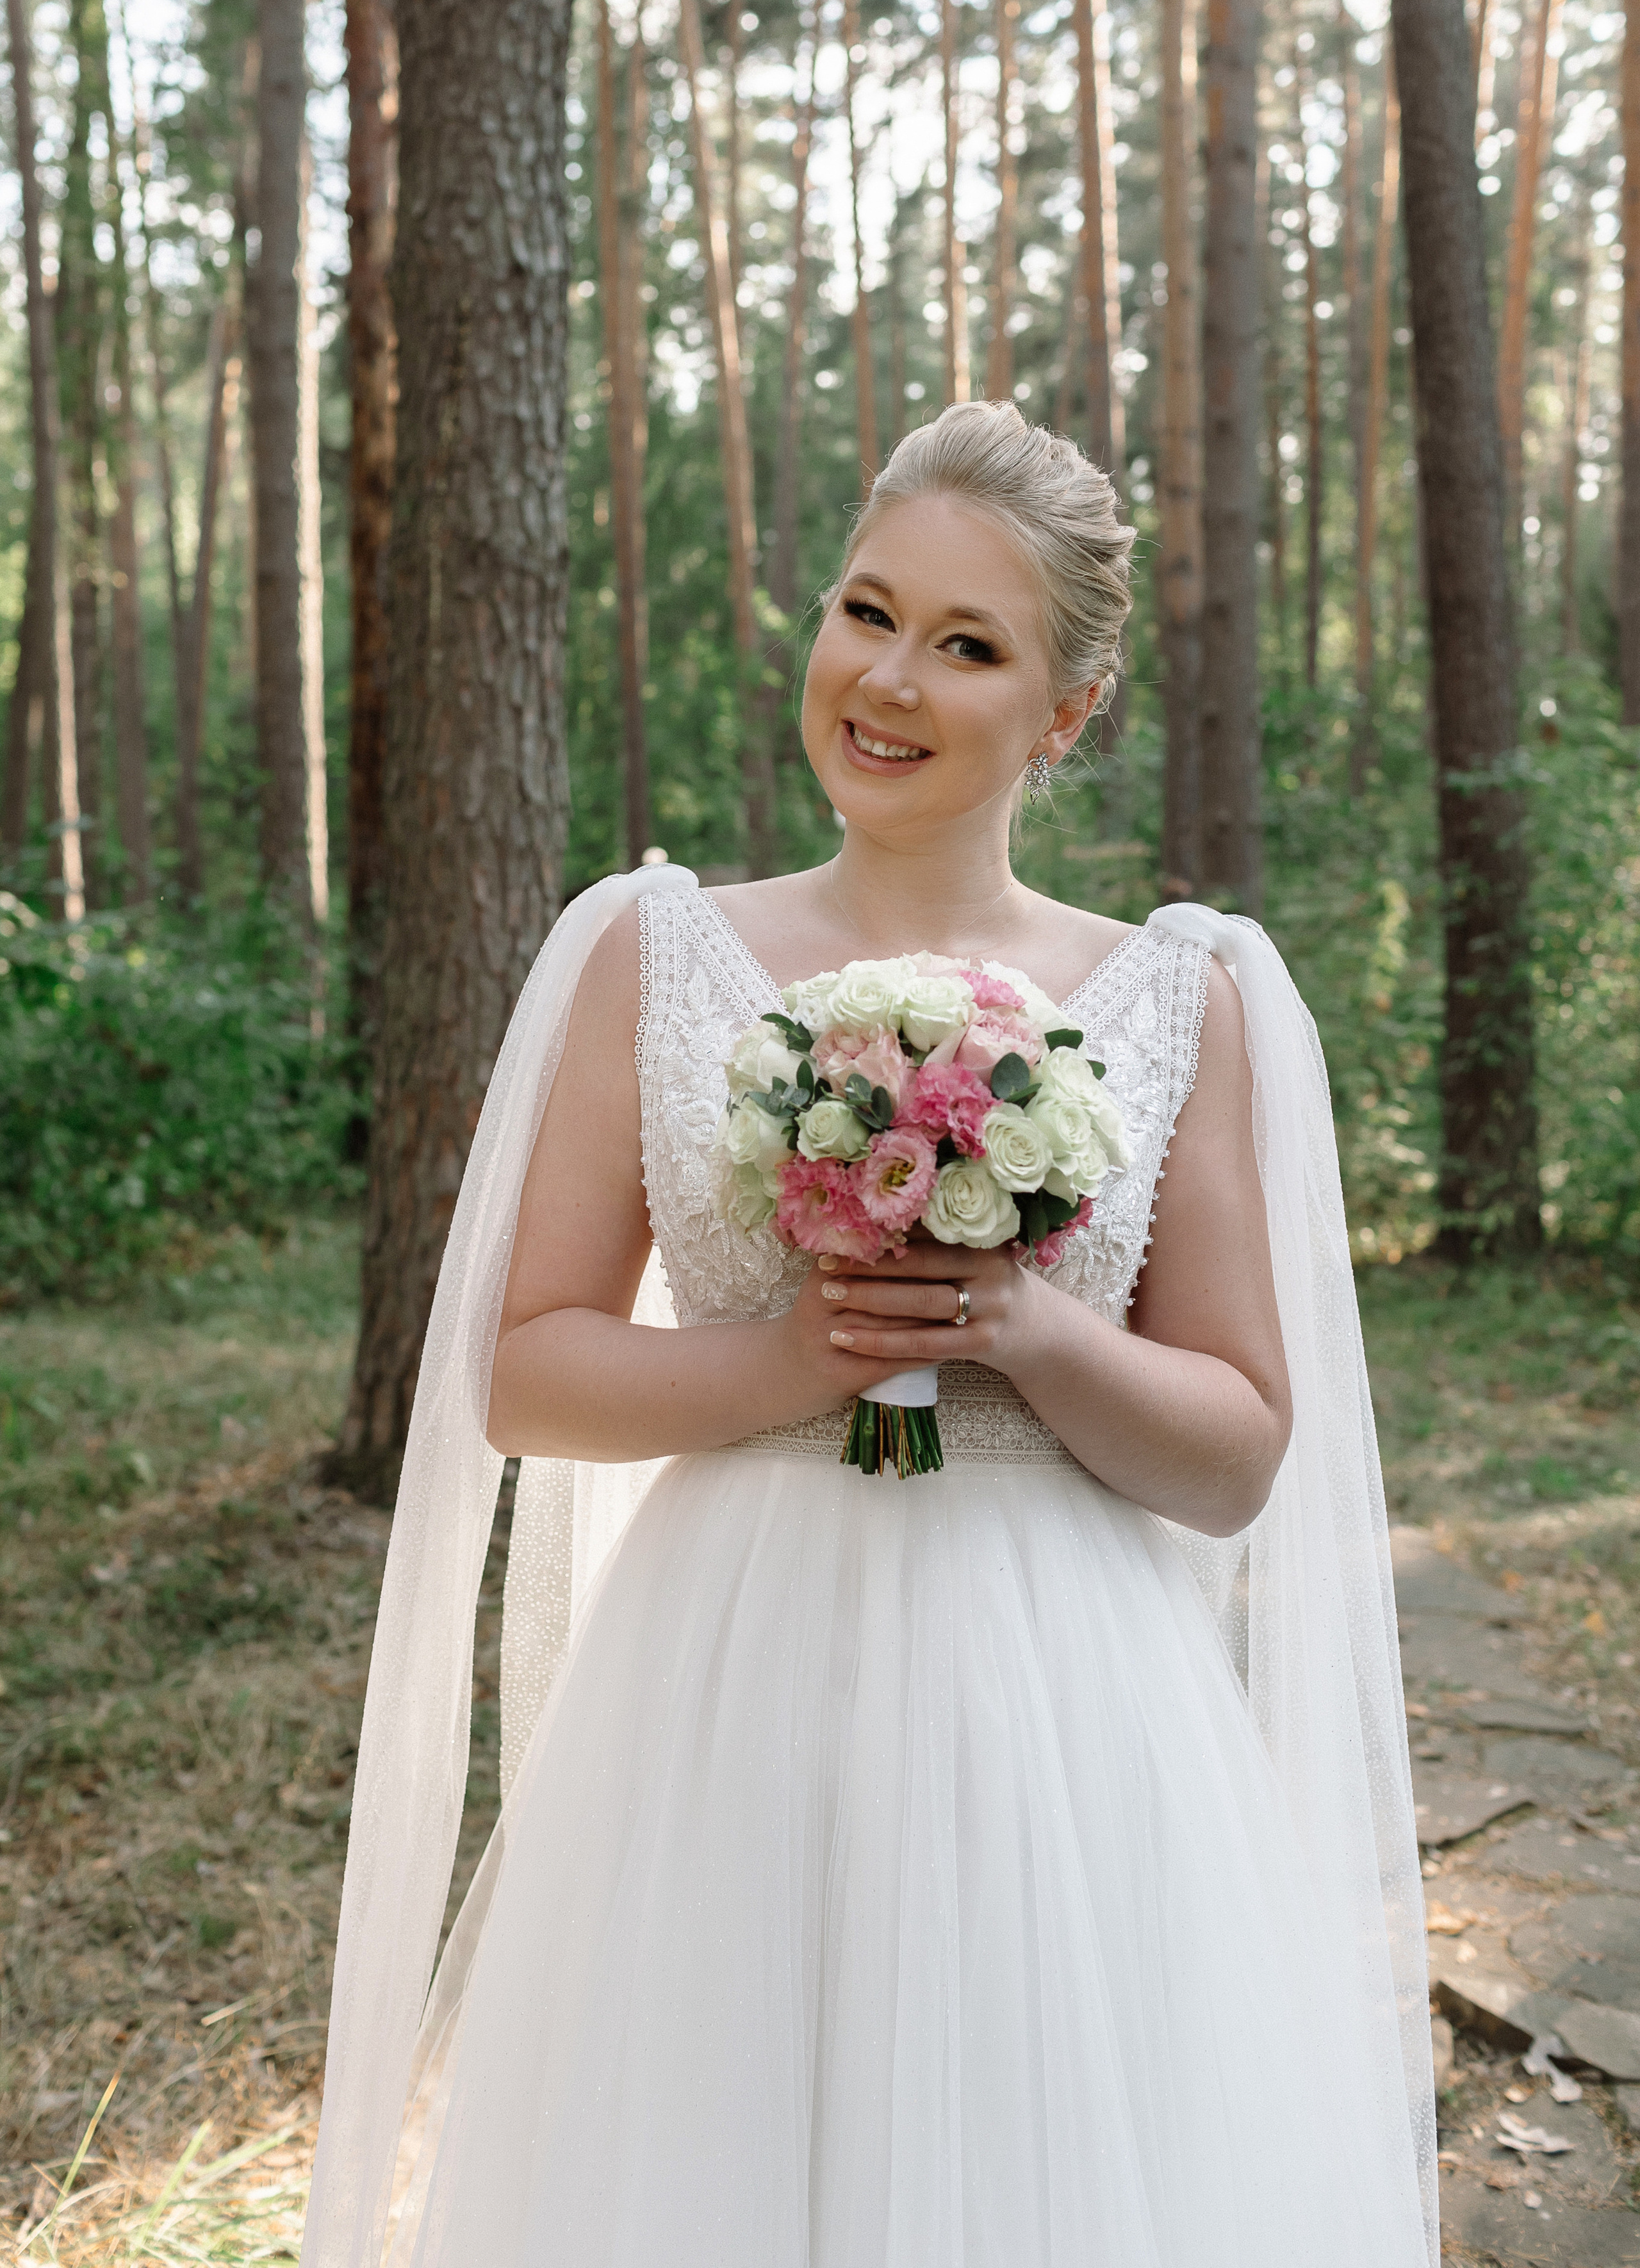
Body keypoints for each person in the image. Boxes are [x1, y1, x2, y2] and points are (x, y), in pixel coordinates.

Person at [301, 403, 1434, 2267]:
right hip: (729, 1683)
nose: (887, 679)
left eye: (969, 646)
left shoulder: (1180, 997)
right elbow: (518, 1363)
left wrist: (1022, 1330)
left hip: (1064, 1717)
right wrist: (788, 1360)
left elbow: (1237, 1452)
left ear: (1064, 713)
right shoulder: (645, 953)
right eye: (865, 611)